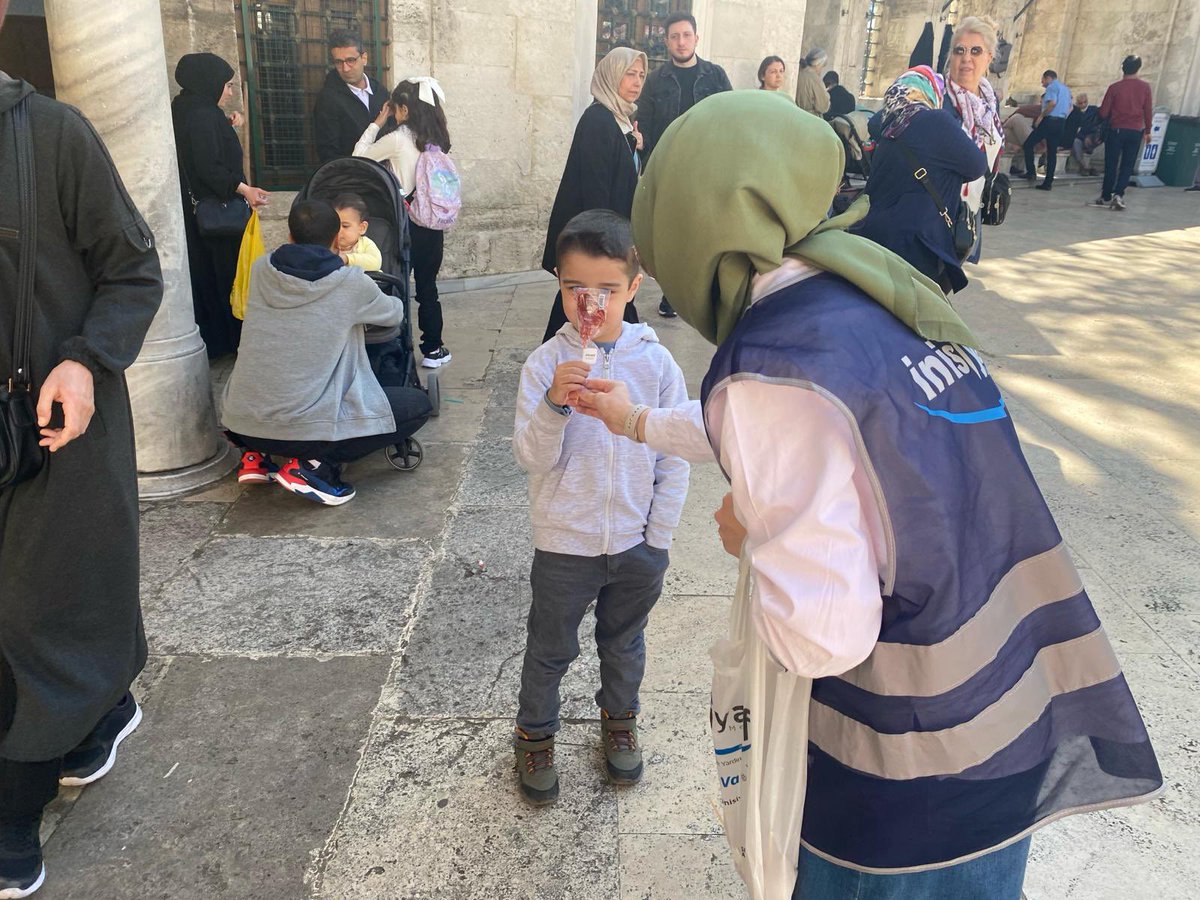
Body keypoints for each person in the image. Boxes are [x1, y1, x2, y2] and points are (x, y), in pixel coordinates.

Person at [575, 90, 1163, 898]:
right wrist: (634, 419)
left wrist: (753, 530)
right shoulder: (868, 290)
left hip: (911, 778)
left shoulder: (772, 367)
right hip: (1014, 719)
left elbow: (821, 636)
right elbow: (833, 437)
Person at [0, 19, 165, 896]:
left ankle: (11, 809)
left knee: (38, 612)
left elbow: (133, 269)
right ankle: (101, 704)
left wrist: (86, 357)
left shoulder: (52, 134)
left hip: (48, 425)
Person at [511, 209, 689, 806]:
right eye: (574, 289)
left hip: (636, 543)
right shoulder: (543, 366)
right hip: (566, 542)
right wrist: (555, 406)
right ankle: (535, 732)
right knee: (550, 647)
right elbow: (532, 458)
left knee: (624, 642)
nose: (591, 302)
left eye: (608, 291)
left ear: (634, 288)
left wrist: (657, 537)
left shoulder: (656, 363)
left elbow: (675, 453)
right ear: (559, 284)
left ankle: (619, 720)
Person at [221, 200, 431, 505]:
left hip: (242, 423)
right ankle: (314, 467)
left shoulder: (261, 269)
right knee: (416, 405)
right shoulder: (349, 282)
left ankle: (255, 458)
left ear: (290, 236)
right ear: (337, 240)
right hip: (305, 430)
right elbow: (394, 314)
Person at [538, 49, 648, 342]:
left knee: (586, 313)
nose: (637, 82)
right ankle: (555, 371)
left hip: (604, 239)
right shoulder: (598, 120)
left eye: (641, 75)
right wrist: (608, 245)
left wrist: (636, 147)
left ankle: (560, 366)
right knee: (587, 311)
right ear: (611, 75)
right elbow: (596, 189)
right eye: (629, 73)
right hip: (596, 240)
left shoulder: (618, 121)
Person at [854, 67, 987, 293]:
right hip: (918, 241)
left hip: (875, 232)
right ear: (930, 92)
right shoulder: (935, 121)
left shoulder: (885, 123)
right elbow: (977, 166)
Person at [172, 53, 269, 358]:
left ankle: (218, 341)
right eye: (226, 85)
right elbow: (209, 167)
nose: (229, 92)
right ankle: (227, 343)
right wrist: (246, 190)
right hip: (217, 214)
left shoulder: (187, 108)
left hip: (197, 215)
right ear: (209, 82)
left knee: (207, 279)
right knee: (227, 277)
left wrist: (226, 122)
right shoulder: (203, 116)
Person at [635, 11, 732, 318]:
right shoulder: (655, 81)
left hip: (708, 167)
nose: (681, 42)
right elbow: (645, 127)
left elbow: (732, 117)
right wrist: (644, 156)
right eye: (674, 36)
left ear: (696, 38)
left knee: (706, 232)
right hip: (670, 168)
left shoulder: (715, 75)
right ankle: (673, 293)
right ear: (666, 42)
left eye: (686, 35)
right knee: (673, 233)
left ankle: (707, 291)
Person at [353, 77, 454, 367]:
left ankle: (398, 346)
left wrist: (377, 122)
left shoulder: (398, 138)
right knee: (427, 288)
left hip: (405, 222)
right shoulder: (439, 140)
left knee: (396, 285)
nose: (393, 115)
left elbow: (359, 157)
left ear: (404, 110)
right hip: (432, 225)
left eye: (395, 109)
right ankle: (434, 349)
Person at [942, 16, 1004, 262]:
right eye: (960, 50)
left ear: (988, 58)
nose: (966, 58)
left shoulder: (990, 102)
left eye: (975, 51)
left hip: (970, 204)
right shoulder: (938, 96)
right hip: (937, 205)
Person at [313, 30, 388, 164]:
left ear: (364, 58)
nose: (345, 68)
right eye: (338, 62)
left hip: (385, 175)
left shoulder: (380, 92)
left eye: (350, 60)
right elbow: (329, 154)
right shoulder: (328, 99)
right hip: (352, 177)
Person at [1093, 55, 1153, 212]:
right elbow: (1148, 110)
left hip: (1116, 129)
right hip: (1135, 130)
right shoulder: (1145, 88)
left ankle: (1106, 194)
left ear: (1123, 68)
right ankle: (1119, 194)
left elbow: (1104, 112)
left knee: (1111, 164)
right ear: (1138, 68)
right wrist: (1148, 131)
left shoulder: (1115, 88)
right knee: (1127, 165)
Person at [1023, 69, 1072, 190]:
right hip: (1061, 122)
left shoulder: (1051, 87)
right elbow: (1071, 107)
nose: (1043, 84)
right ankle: (1048, 182)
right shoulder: (1065, 89)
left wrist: (1042, 116)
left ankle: (1031, 173)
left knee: (1028, 144)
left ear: (1048, 78)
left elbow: (1052, 103)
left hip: (1050, 120)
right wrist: (1063, 116)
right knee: (1052, 152)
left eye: (1043, 80)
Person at [333, 193, 382, 272]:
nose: (338, 230)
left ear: (362, 228)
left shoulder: (365, 244)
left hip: (366, 281)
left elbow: (375, 262)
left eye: (345, 226)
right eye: (334, 225)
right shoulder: (328, 243)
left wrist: (347, 259)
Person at [1063, 93, 1103, 174]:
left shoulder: (1093, 110)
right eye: (1081, 103)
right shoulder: (1074, 112)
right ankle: (1085, 166)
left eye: (1085, 102)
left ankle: (1085, 167)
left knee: (1083, 142)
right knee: (1076, 142)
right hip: (1078, 136)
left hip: (1091, 136)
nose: (1083, 104)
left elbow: (1096, 124)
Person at [794, 48, 830, 118]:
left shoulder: (797, 73)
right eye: (822, 66)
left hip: (794, 115)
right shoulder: (815, 79)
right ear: (818, 64)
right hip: (809, 119)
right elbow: (823, 107)